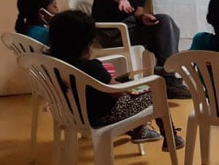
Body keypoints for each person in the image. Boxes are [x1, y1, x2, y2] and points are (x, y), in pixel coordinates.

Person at [47, 10, 184, 151]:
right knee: (156, 91)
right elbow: (117, 92)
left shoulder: (50, 63)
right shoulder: (91, 67)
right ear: (86, 41)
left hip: (71, 115)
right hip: (102, 117)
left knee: (126, 82)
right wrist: (129, 87)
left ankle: (140, 130)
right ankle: (171, 138)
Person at [91, 0, 189, 99]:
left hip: (131, 27)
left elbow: (138, 11)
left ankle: (166, 77)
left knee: (165, 22)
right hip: (112, 31)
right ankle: (168, 80)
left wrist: (143, 17)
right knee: (164, 31)